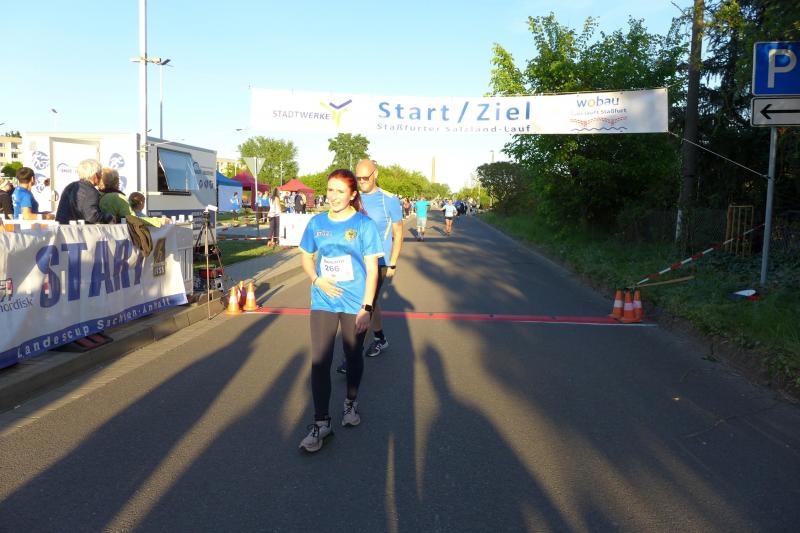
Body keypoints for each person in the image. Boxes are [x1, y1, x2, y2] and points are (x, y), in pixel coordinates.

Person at [297, 169, 383, 453]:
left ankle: (350, 402)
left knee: (353, 355)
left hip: (354, 303)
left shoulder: (364, 225)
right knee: (320, 360)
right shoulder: (316, 222)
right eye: (330, 190)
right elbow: (306, 257)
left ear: (352, 194)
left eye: (340, 191)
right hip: (323, 299)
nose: (333, 196)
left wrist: (367, 307)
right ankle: (321, 422)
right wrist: (317, 279)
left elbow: (372, 270)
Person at [336, 159, 403, 373]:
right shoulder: (353, 197)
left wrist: (393, 263)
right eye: (358, 178)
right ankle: (380, 338)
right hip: (356, 261)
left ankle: (352, 356)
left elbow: (398, 232)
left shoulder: (389, 200)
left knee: (365, 306)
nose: (362, 181)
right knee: (372, 303)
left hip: (379, 261)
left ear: (376, 174)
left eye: (366, 177)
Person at [55, 159, 115, 224]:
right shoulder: (91, 191)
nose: (101, 176)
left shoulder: (69, 186)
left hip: (62, 228)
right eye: (100, 173)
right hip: (79, 229)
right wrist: (108, 217)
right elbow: (92, 217)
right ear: (95, 175)